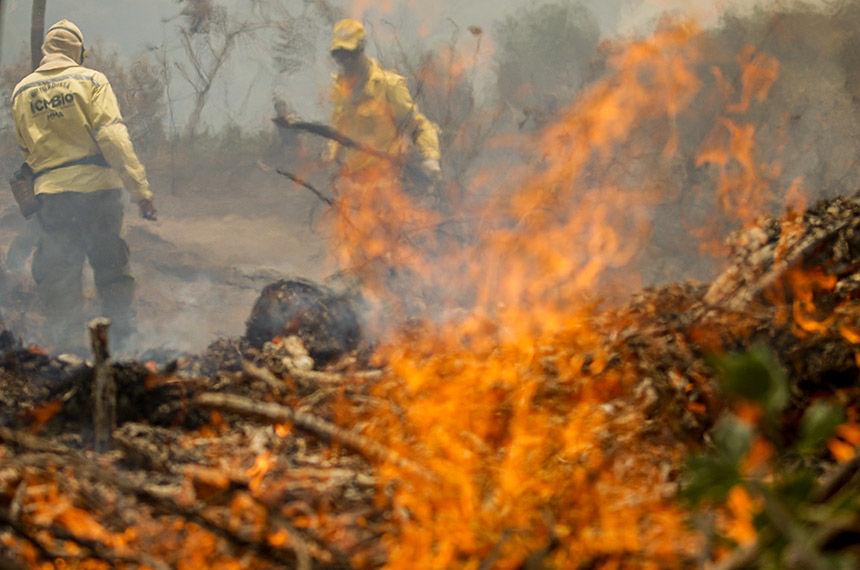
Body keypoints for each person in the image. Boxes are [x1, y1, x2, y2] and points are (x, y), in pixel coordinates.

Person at [10, 19, 157, 354]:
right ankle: (122, 355)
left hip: (53, 201)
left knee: (60, 284)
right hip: (99, 197)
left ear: (47, 50)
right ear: (79, 51)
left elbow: (27, 151)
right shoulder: (92, 80)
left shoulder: (21, 91)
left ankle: (66, 363)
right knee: (113, 275)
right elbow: (112, 137)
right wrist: (141, 190)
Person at [325, 18, 441, 190]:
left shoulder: (388, 85)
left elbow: (417, 125)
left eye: (351, 54)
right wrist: (330, 152)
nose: (346, 61)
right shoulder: (339, 90)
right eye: (340, 56)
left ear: (361, 50)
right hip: (353, 184)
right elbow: (340, 127)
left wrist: (430, 158)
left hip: (388, 183)